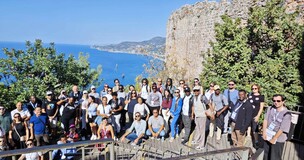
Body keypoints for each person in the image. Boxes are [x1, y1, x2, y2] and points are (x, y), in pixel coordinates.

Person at [262, 94, 291, 160]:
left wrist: (274, 138)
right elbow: (265, 120)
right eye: (274, 100)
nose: (276, 102)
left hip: (278, 139)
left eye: (278, 101)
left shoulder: (286, 114)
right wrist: (264, 132)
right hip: (268, 135)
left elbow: (282, 128)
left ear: (283, 101)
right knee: (266, 155)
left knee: (275, 157)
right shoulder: (270, 108)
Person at [248, 83, 265, 148]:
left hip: (255, 114)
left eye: (255, 88)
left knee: (255, 128)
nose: (254, 90)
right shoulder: (250, 95)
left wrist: (258, 116)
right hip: (249, 114)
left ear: (258, 89)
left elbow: (261, 108)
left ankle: (256, 141)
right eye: (252, 88)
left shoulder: (261, 97)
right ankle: (248, 138)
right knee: (248, 126)